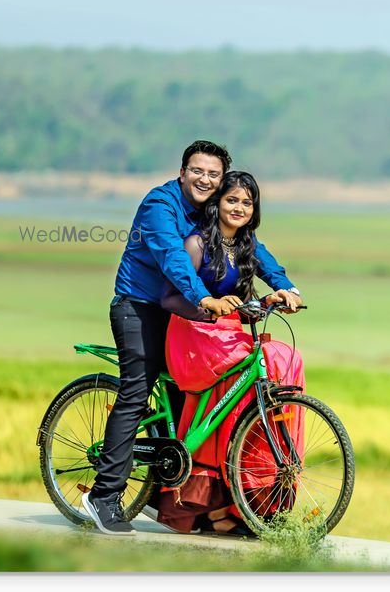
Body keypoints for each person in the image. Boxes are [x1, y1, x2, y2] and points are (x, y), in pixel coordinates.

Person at [82, 141, 302, 536]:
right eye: (197, 171)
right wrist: (203, 297)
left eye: (213, 175)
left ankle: (181, 499)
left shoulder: (210, 209)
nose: (205, 180)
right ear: (182, 171)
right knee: (137, 391)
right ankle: (104, 495)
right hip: (141, 307)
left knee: (198, 399)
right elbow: (173, 258)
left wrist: (286, 287)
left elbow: (254, 248)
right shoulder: (159, 206)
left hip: (188, 315)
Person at [155, 171, 303, 535]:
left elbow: (275, 273)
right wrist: (211, 307)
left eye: (247, 202)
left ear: (255, 211)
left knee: (285, 359)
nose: (239, 207)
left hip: (229, 335)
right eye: (231, 199)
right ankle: (214, 495)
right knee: (249, 363)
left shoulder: (248, 246)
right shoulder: (197, 244)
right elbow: (169, 298)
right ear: (217, 203)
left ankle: (245, 492)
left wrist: (283, 293)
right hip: (193, 334)